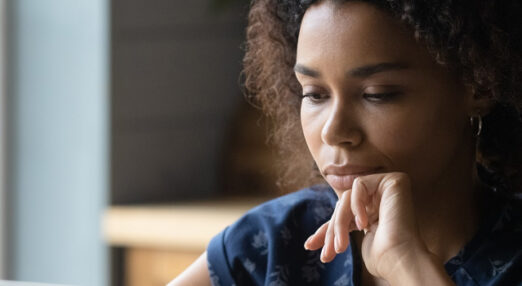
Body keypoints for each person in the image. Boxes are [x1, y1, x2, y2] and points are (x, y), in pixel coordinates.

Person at [170, 0, 522, 285]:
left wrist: (407, 266)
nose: (333, 131)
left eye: (377, 94)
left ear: (479, 86)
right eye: (315, 94)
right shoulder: (273, 244)